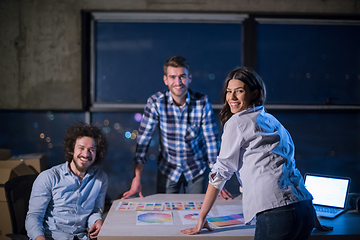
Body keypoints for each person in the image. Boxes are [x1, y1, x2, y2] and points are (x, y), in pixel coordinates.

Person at [181, 67, 332, 239]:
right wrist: (313, 218)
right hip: (303, 209)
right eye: (229, 92)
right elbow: (290, 168)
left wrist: (201, 218)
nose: (232, 97)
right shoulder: (271, 120)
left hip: (275, 211)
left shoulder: (237, 122)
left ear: (254, 93)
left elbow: (220, 173)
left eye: (239, 91)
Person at [122, 56, 231, 200]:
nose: (178, 82)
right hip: (168, 170)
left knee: (196, 213)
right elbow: (143, 141)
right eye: (173, 77)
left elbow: (211, 142)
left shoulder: (202, 102)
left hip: (196, 170)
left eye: (182, 77)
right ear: (165, 79)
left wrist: (217, 180)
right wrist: (137, 178)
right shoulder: (155, 102)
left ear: (190, 78)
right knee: (166, 213)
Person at [25, 122, 108, 240]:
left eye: (91, 149)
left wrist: (97, 220)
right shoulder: (48, 177)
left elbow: (95, 210)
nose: (86, 154)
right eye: (81, 148)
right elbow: (34, 217)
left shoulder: (100, 178)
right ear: (71, 150)